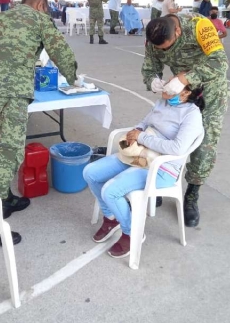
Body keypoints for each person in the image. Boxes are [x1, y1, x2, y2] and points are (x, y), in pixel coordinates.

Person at [0, 0, 79, 245]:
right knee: (6, 154)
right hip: (12, 93)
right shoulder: (40, 20)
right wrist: (74, 79)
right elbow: (60, 51)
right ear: (40, 5)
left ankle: (4, 198)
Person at [83, 83, 205, 258]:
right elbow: (145, 122)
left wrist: (142, 137)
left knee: (110, 191)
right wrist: (136, 131)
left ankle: (132, 232)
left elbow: (177, 148)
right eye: (168, 83)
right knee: (90, 173)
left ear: (186, 93)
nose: (165, 87)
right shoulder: (163, 102)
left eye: (172, 86)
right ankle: (111, 219)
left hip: (161, 168)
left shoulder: (191, 115)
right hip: (140, 156)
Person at [142, 14, 229, 227]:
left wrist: (184, 78)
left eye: (166, 47)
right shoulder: (156, 34)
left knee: (203, 146)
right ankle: (162, 182)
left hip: (210, 93)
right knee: (165, 133)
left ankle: (192, 195)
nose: (163, 51)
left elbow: (220, 62)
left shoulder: (200, 26)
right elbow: (150, 65)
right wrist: (152, 79)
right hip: (180, 94)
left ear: (178, 32)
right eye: (159, 49)